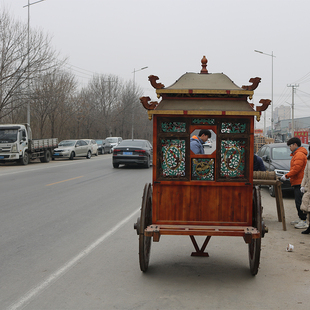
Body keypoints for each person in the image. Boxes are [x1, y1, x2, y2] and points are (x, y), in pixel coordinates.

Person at [280, 137, 308, 229]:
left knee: (299, 202)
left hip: (299, 182)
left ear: (295, 145)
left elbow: (296, 169)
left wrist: (287, 176)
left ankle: (303, 220)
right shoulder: (297, 154)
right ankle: (300, 218)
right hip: (297, 181)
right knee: (298, 201)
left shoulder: (299, 154)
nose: (290, 148)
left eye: (290, 146)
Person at [300, 145, 310, 234]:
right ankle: (309, 227)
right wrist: (302, 185)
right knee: (307, 209)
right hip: (309, 189)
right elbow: (305, 174)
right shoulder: (309, 161)